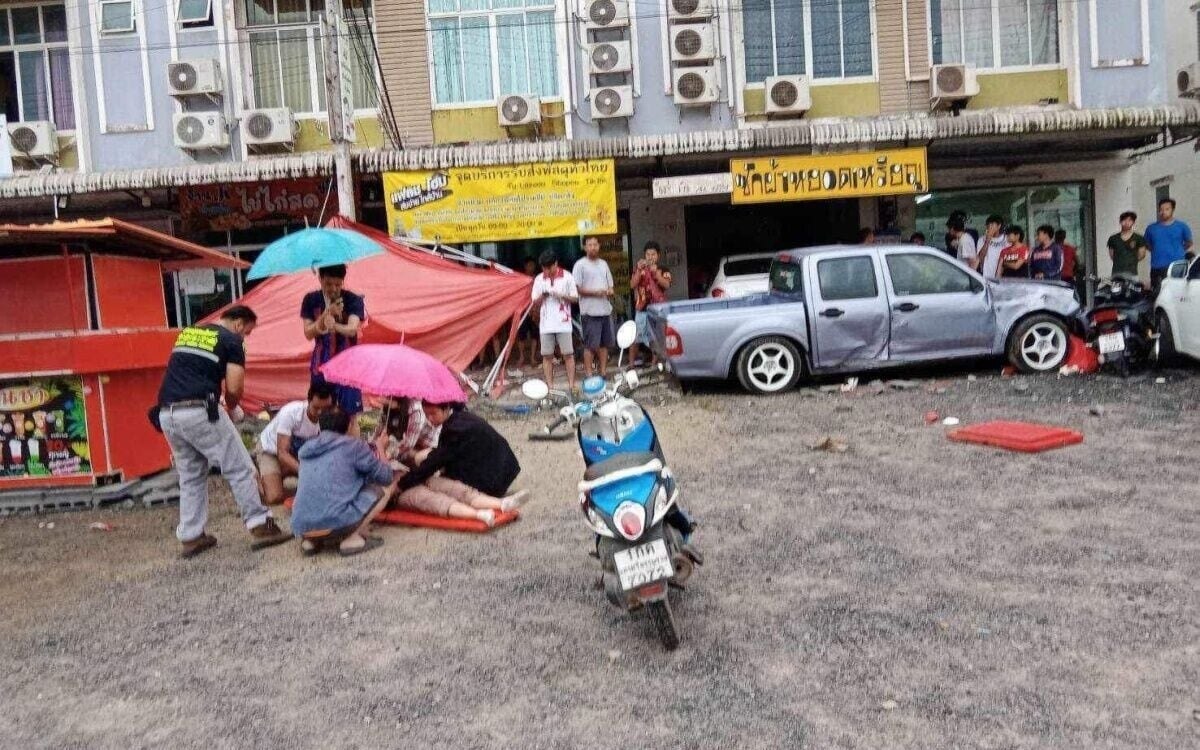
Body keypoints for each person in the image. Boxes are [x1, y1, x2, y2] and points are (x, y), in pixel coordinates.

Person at [154, 305, 290, 558]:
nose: (245, 338)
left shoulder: (189, 333)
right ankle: (261, 525)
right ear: (238, 324)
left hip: (167, 413)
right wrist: (233, 407)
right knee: (240, 468)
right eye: (247, 333)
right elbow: (235, 386)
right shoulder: (231, 341)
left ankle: (191, 536)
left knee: (191, 475)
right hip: (200, 410)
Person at [392, 402, 527, 528]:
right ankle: (498, 505)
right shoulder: (461, 417)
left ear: (445, 409)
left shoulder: (454, 429)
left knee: (440, 487)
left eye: (433, 414)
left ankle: (491, 507)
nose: (430, 419)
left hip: (492, 479)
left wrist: (403, 483)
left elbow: (434, 463)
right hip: (503, 468)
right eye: (427, 415)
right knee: (433, 485)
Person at [292, 410, 395, 556]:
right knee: (384, 489)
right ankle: (351, 539)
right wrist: (380, 447)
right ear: (349, 426)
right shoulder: (354, 446)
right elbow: (386, 477)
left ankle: (312, 542)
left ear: (320, 427)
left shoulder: (305, 450)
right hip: (334, 522)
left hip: (303, 526)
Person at [255, 382, 336, 506]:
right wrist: (306, 471)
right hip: (271, 450)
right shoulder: (292, 413)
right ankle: (254, 477)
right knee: (274, 497)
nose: (320, 412)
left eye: (324, 409)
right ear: (308, 401)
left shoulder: (330, 420)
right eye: (316, 408)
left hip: (297, 454)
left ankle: (279, 473)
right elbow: (282, 453)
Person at [300, 264, 365, 417]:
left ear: (342, 281)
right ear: (320, 279)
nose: (333, 289)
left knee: (350, 415)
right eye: (328, 284)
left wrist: (334, 325)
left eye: (338, 284)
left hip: (348, 366)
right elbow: (308, 333)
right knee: (319, 411)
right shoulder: (310, 300)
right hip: (320, 365)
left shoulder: (353, 299)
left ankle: (349, 441)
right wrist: (326, 314)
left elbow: (352, 329)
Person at [531, 250, 579, 392]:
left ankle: (571, 385)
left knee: (568, 354)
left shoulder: (567, 276)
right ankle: (550, 387)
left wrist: (562, 295)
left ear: (555, 264)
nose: (547, 271)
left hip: (563, 322)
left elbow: (575, 298)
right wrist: (543, 296)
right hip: (546, 324)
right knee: (547, 356)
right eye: (544, 268)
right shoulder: (539, 279)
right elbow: (534, 301)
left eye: (549, 267)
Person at [572, 236, 616, 377]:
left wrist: (609, 291)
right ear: (585, 247)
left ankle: (603, 372)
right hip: (589, 312)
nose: (592, 247)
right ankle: (589, 374)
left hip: (604, 310)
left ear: (599, 246)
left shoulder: (603, 264)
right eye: (589, 245)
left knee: (604, 345)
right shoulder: (580, 265)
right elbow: (576, 289)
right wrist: (595, 293)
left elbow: (611, 287)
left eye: (595, 244)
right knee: (590, 345)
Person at [630, 241, 670, 366]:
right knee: (636, 337)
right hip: (641, 308)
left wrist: (656, 274)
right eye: (648, 254)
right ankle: (631, 364)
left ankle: (654, 364)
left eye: (653, 254)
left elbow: (667, 284)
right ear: (644, 255)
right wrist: (638, 270)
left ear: (658, 255)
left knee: (656, 337)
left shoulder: (663, 269)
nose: (650, 257)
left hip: (658, 309)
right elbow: (632, 285)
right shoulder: (640, 268)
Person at [1144, 198, 1194, 291]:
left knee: (1176, 294)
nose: (1163, 212)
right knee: (1156, 294)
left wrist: (1178, 250)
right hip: (1157, 267)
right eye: (1161, 209)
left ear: (1172, 210)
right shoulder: (1151, 228)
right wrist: (1156, 250)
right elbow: (1146, 244)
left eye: (1167, 209)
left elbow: (1189, 242)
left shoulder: (1182, 226)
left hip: (1176, 267)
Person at [1106, 211, 1148, 278]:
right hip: (1116, 273)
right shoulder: (1113, 238)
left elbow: (1142, 255)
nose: (1126, 222)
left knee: (1132, 288)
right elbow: (1112, 255)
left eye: (1130, 220)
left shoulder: (1139, 238)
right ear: (1120, 222)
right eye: (1124, 220)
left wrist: (1131, 261)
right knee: (1116, 288)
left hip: (1132, 273)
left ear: (1133, 222)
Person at [517, 258, 539, 368]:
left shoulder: (538, 279)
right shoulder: (520, 279)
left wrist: (536, 310)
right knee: (521, 335)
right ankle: (521, 356)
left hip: (534, 310)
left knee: (535, 335)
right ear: (525, 266)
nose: (531, 267)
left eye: (533, 265)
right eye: (529, 265)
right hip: (523, 310)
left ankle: (532, 357)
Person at [973, 215, 1010, 280]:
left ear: (999, 226)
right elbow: (980, 258)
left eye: (992, 225)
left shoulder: (1007, 239)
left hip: (1002, 275)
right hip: (986, 275)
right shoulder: (982, 239)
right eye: (988, 225)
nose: (989, 227)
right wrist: (988, 240)